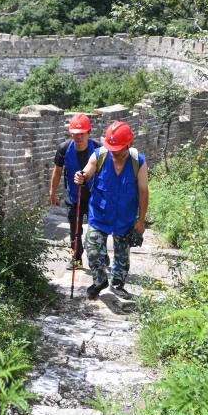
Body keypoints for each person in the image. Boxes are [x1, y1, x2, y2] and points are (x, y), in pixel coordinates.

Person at [74, 120, 149, 300]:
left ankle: (117, 284)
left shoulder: (138, 161)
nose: (114, 152)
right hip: (100, 214)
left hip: (125, 216)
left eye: (118, 149)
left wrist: (141, 220)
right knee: (92, 247)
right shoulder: (99, 155)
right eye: (112, 148)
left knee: (122, 255)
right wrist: (81, 176)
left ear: (128, 144)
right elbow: (86, 172)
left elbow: (143, 192)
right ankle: (100, 280)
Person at [50, 113, 98, 269]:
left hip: (94, 197)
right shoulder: (64, 149)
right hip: (73, 197)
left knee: (96, 231)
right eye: (75, 134)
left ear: (89, 132)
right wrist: (52, 192)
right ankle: (77, 260)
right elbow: (57, 171)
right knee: (75, 232)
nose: (78, 137)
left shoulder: (98, 149)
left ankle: (100, 256)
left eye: (82, 133)